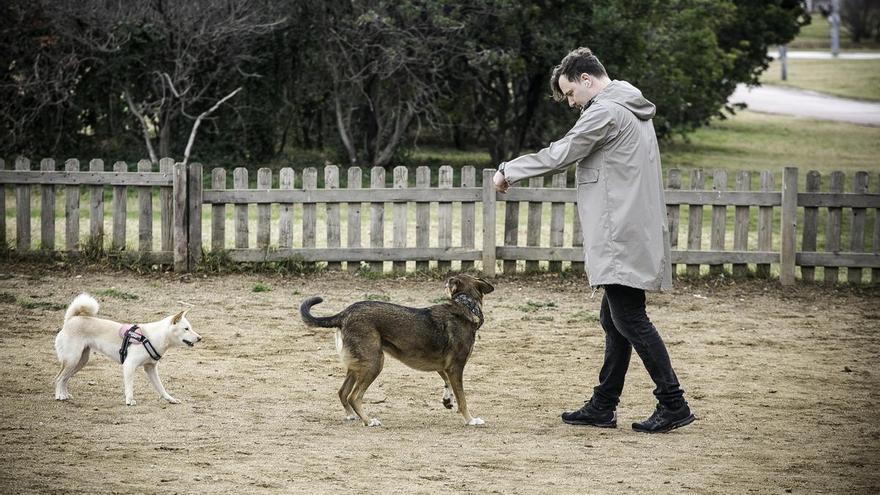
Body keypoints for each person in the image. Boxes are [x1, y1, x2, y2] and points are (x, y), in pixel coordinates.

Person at [493, 47, 694, 434]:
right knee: (614, 317)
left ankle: (673, 403)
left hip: (621, 230)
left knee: (630, 318)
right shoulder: (629, 106)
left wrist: (509, 171)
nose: (571, 102)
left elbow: (564, 151)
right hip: (630, 226)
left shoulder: (606, 111)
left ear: (587, 79)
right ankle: (603, 404)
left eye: (570, 93)